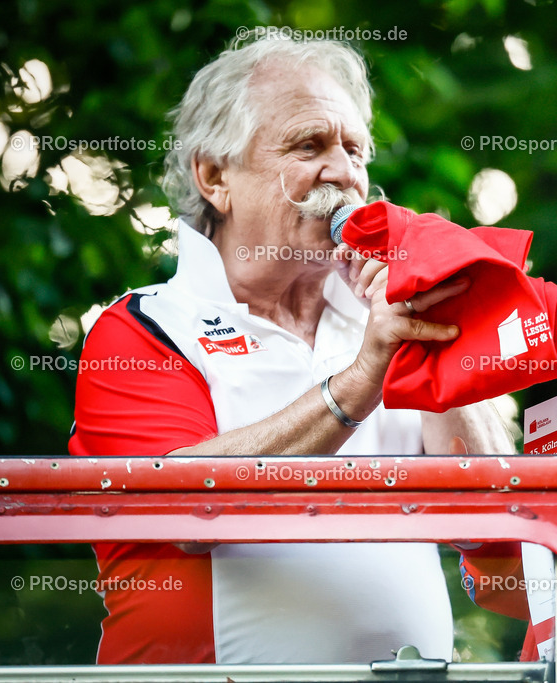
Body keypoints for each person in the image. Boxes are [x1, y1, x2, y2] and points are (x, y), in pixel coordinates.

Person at [68, 36, 513, 665]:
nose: (344, 173)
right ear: (215, 177)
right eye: (310, 146)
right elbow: (179, 508)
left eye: (355, 151)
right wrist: (360, 379)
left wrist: (439, 331)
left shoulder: (384, 316)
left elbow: (496, 526)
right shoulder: (145, 327)